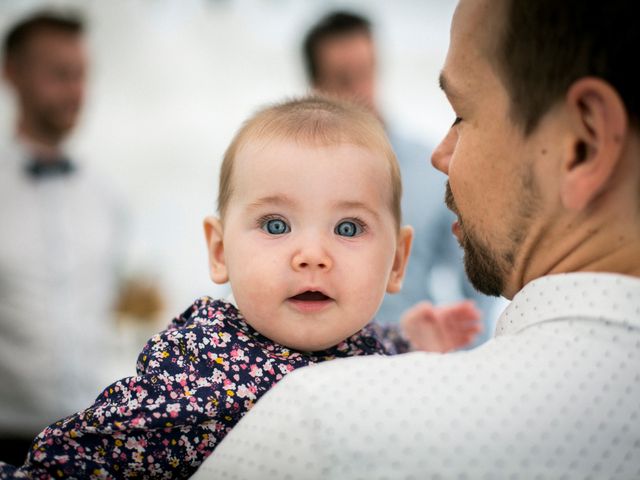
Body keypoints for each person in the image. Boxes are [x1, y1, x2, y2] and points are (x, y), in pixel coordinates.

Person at [198, 0, 640, 478]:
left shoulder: (316, 423)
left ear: (583, 143)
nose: (441, 153)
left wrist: (449, 369)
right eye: (276, 226)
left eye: (460, 115)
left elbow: (475, 299)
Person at [0, 96, 480, 479]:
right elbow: (91, 453)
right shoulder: (202, 363)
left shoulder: (368, 338)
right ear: (220, 251)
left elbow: (378, 354)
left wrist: (417, 343)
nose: (312, 255)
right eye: (275, 225)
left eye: (348, 228)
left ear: (396, 261)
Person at [302, 11, 497, 346]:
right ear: (316, 87)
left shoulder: (431, 165)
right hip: (319, 362)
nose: (360, 91)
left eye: (367, 73)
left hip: (413, 365)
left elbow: (478, 285)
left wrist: (464, 366)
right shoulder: (289, 175)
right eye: (343, 78)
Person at [0, 11, 128, 464]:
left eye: (81, 76)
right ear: (11, 73)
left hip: (91, 437)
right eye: (59, 75)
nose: (75, 92)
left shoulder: (108, 197)